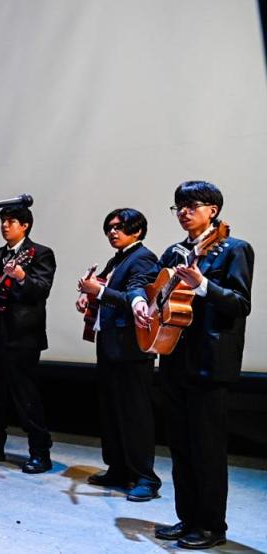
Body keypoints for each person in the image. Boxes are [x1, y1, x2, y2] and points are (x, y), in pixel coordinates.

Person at [132, 181, 253, 549]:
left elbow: (239, 303)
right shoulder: (173, 251)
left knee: (208, 451)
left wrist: (203, 286)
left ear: (212, 209)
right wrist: (142, 303)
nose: (184, 212)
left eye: (191, 205)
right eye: (178, 206)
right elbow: (154, 287)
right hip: (173, 359)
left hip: (209, 364)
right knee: (181, 448)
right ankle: (187, 520)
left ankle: (212, 526)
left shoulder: (234, 249)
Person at [75, 209, 161, 501]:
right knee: (111, 412)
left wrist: (97, 292)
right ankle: (119, 469)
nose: (113, 232)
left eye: (120, 227)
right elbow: (105, 293)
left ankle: (145, 477)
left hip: (132, 349)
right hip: (111, 345)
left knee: (135, 415)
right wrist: (89, 296)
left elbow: (138, 299)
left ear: (137, 230)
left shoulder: (143, 258)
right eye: (109, 227)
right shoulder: (118, 258)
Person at [0, 207, 56, 474]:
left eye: (11, 221)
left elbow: (41, 290)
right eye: (3, 221)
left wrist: (22, 276)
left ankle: (40, 453)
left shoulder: (40, 253)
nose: (5, 226)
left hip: (23, 337)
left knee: (25, 397)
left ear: (25, 225)